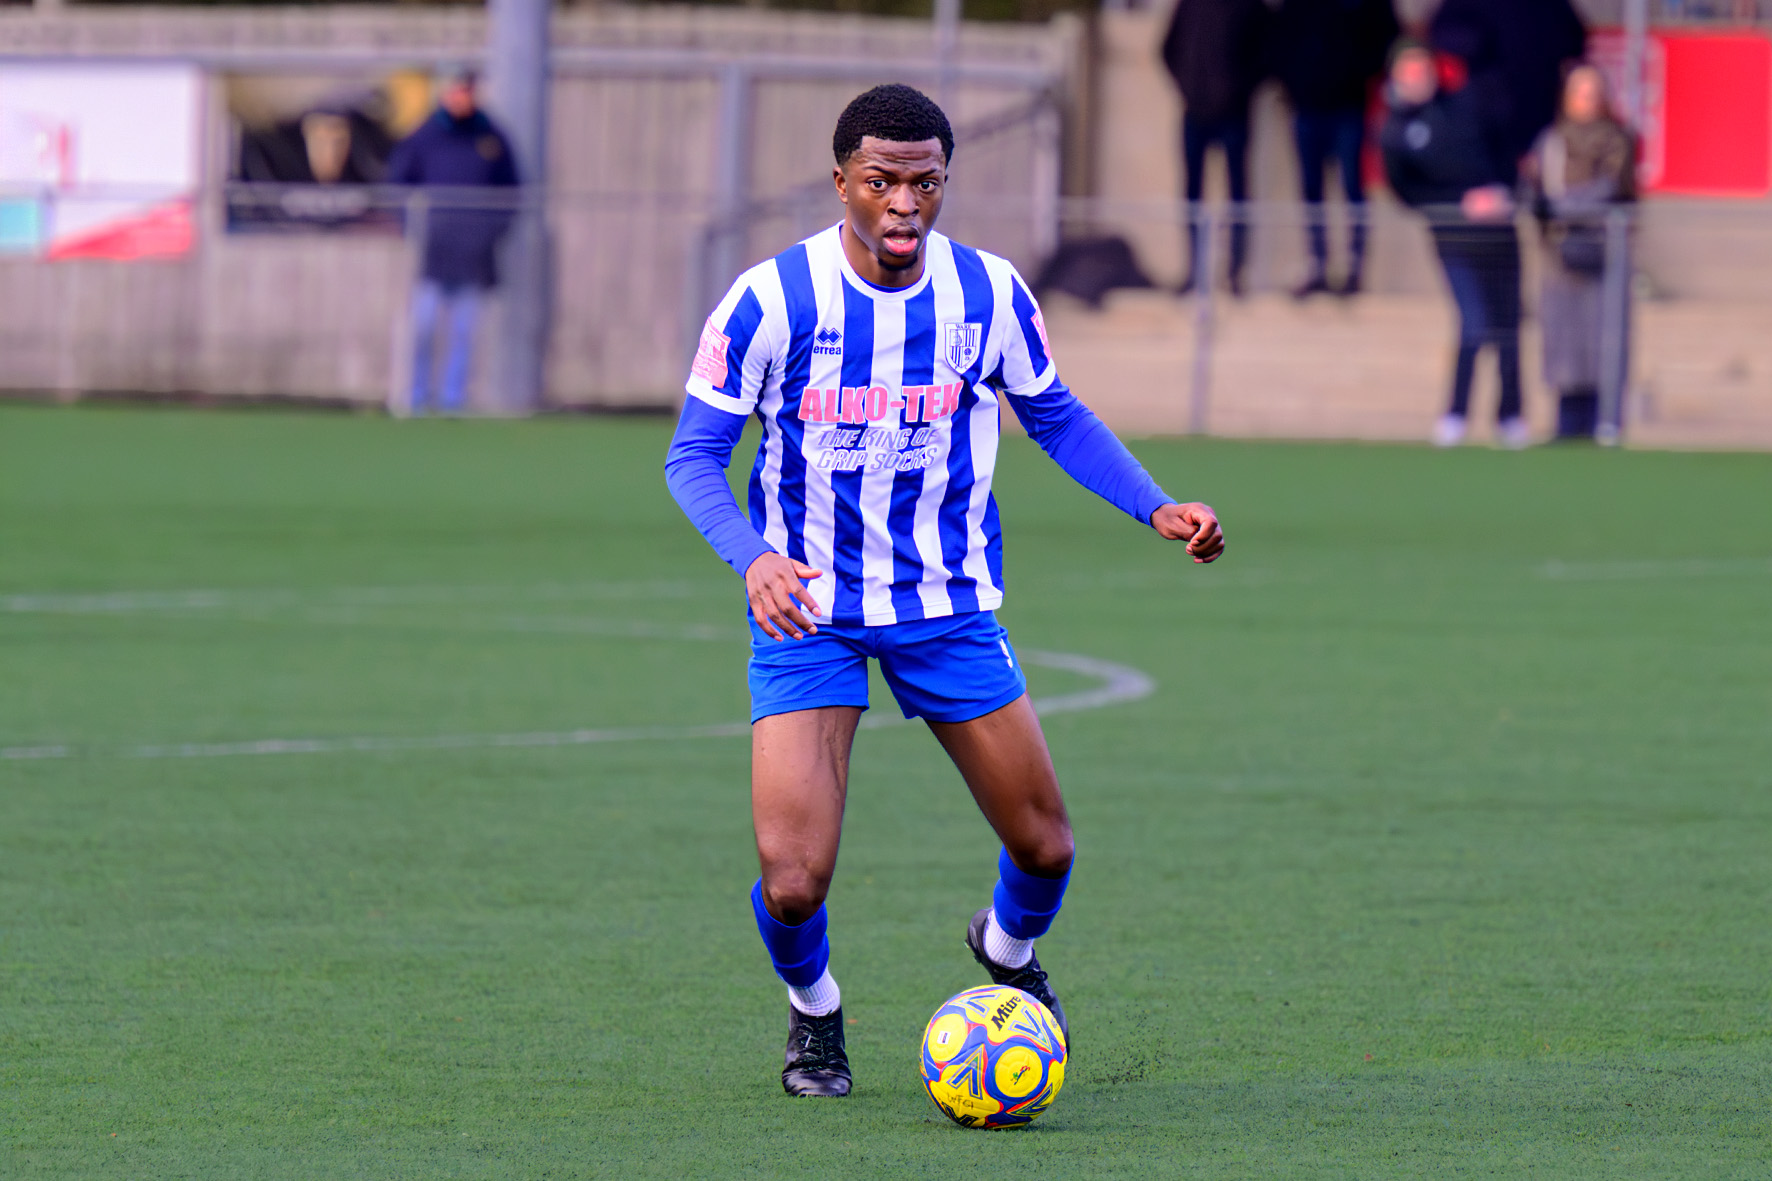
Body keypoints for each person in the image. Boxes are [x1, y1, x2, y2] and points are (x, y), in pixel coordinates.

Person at [663, 84, 1225, 1098]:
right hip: (809, 612)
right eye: (880, 180)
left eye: (924, 182)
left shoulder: (988, 292)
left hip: (947, 606)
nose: (903, 202)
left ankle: (1007, 949)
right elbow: (693, 455)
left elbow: (1054, 415)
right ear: (841, 182)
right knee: (792, 879)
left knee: (1044, 845)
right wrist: (753, 557)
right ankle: (815, 1011)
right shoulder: (769, 300)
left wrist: (1155, 506)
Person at [1381, 43, 1529, 449]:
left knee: (1508, 326)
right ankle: (1456, 414)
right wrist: (1457, 204)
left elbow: (1503, 151)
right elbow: (1407, 191)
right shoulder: (1394, 132)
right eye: (1408, 73)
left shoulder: (1467, 105)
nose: (1417, 80)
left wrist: (1502, 192)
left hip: (1498, 233)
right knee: (1474, 324)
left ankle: (1511, 415)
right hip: (1454, 239)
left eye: (1422, 71)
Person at [386, 66, 519, 415]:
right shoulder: (426, 135)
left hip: (474, 254)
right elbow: (398, 184)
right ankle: (416, 398)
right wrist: (412, 227)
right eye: (457, 90)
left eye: (468, 91)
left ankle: (453, 400)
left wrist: (491, 232)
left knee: (464, 331)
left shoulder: (491, 137)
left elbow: (511, 192)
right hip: (433, 252)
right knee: (424, 327)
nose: (462, 97)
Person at [1524, 65, 1636, 441]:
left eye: (1593, 93)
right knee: (1564, 339)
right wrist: (1544, 211)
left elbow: (1610, 186)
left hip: (1605, 250)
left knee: (1605, 338)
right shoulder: (1551, 141)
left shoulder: (1617, 139)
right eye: (1579, 93)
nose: (1586, 101)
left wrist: (1562, 208)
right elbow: (1534, 190)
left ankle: (1605, 421)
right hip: (1559, 256)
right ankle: (1566, 421)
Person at [1269, 0, 1399, 298]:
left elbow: (1388, 37)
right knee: (1311, 189)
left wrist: (1358, 71)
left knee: (1353, 187)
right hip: (1306, 105)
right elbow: (1279, 38)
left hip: (1349, 106)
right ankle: (1316, 263)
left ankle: (1355, 268)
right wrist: (1293, 82)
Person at [1160, 0, 1269, 296]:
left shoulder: (1250, 7)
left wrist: (1238, 90)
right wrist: (1189, 88)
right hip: (1195, 113)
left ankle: (1235, 272)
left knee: (1238, 195)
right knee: (1192, 194)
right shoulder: (1190, 5)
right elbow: (1168, 50)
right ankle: (1194, 271)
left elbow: (1266, 54)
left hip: (1235, 114)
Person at [1430, 0, 1587, 179]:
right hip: (1490, 108)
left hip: (1540, 102)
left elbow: (1574, 38)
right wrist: (1481, 43)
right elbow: (1445, 36)